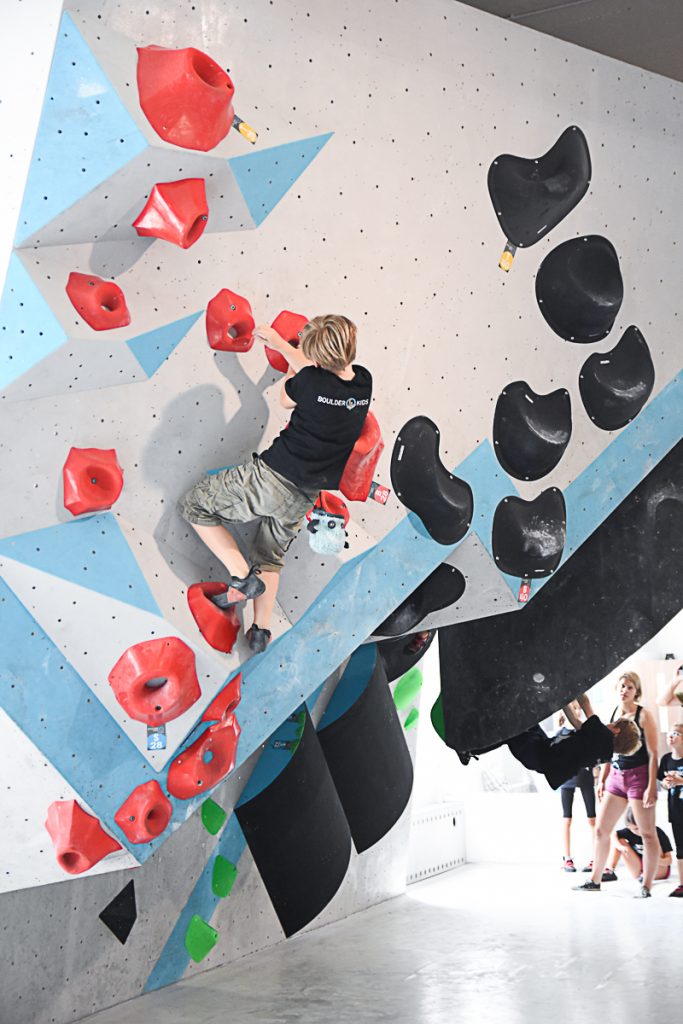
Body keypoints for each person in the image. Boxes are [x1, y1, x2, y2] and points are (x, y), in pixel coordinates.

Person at [178, 315, 372, 653]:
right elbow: (323, 381)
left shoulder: (307, 382)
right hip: (306, 495)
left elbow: (286, 396)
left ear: (316, 359)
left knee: (194, 504)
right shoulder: (363, 383)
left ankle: (241, 575)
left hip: (269, 479)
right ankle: (260, 631)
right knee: (270, 555)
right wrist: (289, 349)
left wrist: (286, 353)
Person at [574, 671, 659, 898]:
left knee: (648, 833)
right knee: (601, 830)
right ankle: (595, 879)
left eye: (630, 687)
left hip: (639, 777)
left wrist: (652, 786)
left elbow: (653, 753)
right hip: (616, 777)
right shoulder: (613, 712)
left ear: (636, 691)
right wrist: (602, 778)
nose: (625, 690)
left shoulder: (644, 715)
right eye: (622, 686)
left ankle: (646, 885)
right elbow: (608, 751)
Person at [460, 692, 640, 790]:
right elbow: (576, 722)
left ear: (616, 730)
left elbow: (585, 704)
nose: (610, 723)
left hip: (539, 754)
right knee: (526, 721)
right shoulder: (602, 750)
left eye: (614, 723)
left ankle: (469, 750)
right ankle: (470, 749)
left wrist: (574, 683)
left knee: (513, 731)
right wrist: (561, 697)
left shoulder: (602, 737)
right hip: (544, 751)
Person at [554, 706, 596, 872]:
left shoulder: (586, 733)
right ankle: (567, 858)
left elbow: (594, 756)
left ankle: (595, 857)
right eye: (573, 709)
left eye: (578, 709)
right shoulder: (560, 734)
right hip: (566, 778)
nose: (576, 711)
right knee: (567, 819)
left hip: (585, 777)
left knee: (592, 818)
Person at [602, 806, 672, 884]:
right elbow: (613, 834)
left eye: (639, 828)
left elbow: (669, 861)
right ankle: (610, 871)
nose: (638, 831)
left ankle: (647, 876)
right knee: (619, 840)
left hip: (659, 868)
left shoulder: (658, 832)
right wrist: (620, 847)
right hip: (639, 869)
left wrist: (654, 861)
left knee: (656, 844)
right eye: (634, 829)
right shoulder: (630, 831)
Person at [657, 722, 683, 897]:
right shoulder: (666, 759)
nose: (671, 736)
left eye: (676, 733)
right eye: (669, 733)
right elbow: (663, 781)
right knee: (680, 847)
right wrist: (666, 783)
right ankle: (682, 883)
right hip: (676, 810)